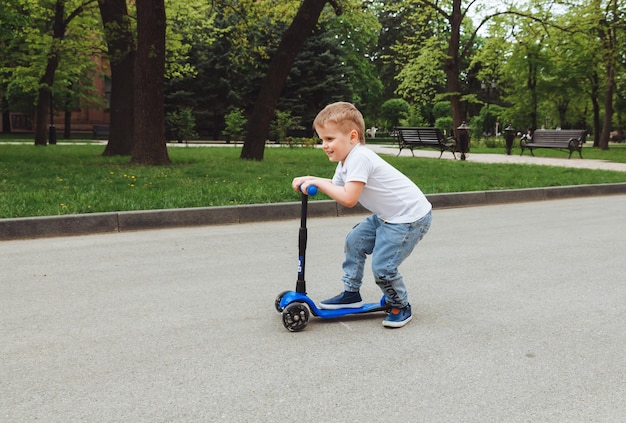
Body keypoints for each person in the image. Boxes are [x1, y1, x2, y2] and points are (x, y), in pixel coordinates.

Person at [292, 102, 432, 328]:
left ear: (352, 136)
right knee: (355, 241)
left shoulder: (360, 158)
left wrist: (316, 181)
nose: (324, 146)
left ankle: (400, 304)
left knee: (383, 268)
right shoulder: (346, 160)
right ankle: (351, 293)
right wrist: (310, 179)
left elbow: (348, 198)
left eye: (329, 139)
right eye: (321, 140)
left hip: (408, 218)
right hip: (387, 214)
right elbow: (337, 185)